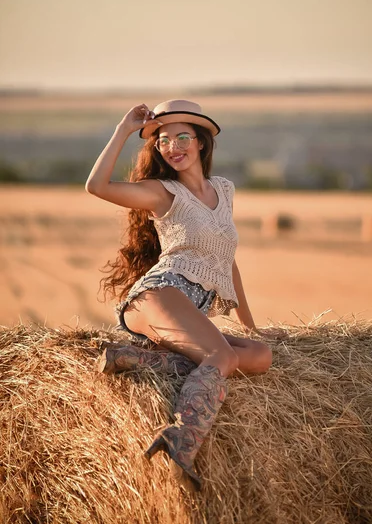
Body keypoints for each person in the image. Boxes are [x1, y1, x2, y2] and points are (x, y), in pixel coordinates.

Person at [85, 98, 272, 492]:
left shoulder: (223, 190)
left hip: (187, 310)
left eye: (182, 136)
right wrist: (123, 129)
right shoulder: (161, 193)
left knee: (259, 356)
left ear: (201, 142)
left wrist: (252, 328)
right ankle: (181, 439)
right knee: (221, 356)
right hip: (158, 296)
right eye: (163, 140)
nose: (173, 146)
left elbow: (227, 262)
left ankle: (139, 358)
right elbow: (96, 186)